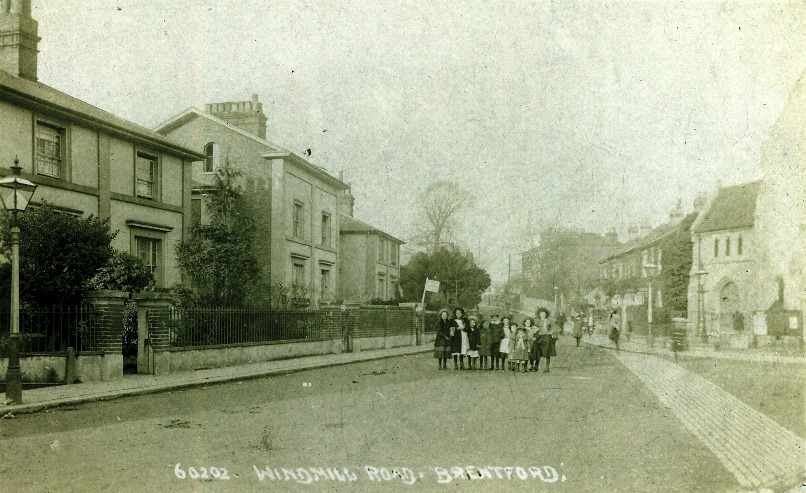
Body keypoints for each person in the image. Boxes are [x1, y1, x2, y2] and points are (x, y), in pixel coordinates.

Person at [535, 307, 557, 372]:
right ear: (539, 314)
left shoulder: (549, 321)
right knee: (538, 352)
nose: (543, 315)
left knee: (547, 352)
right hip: (539, 337)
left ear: (546, 314)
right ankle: (536, 366)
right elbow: (534, 328)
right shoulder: (537, 321)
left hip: (547, 337)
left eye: (544, 314)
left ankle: (547, 367)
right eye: (541, 314)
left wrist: (551, 332)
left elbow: (556, 328)